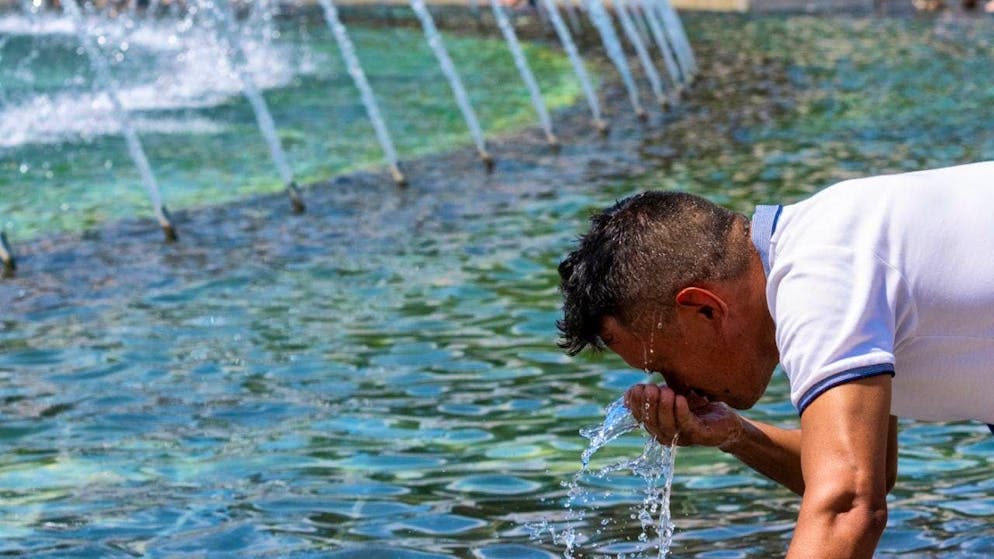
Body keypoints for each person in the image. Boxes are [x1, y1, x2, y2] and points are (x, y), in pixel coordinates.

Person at [555, 161, 994, 558]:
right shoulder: (826, 252)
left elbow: (848, 507)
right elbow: (870, 472)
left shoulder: (820, 276)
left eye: (665, 364)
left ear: (704, 308)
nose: (676, 389)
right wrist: (732, 435)